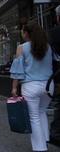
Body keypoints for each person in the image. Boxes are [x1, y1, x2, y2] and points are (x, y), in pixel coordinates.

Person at [10, 23, 53, 152]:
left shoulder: (22, 48)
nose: (22, 34)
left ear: (27, 33)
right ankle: (45, 139)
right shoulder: (47, 47)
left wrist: (14, 88)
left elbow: (17, 70)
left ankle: (40, 148)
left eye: (23, 32)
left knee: (34, 117)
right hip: (48, 85)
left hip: (31, 86)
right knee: (42, 112)